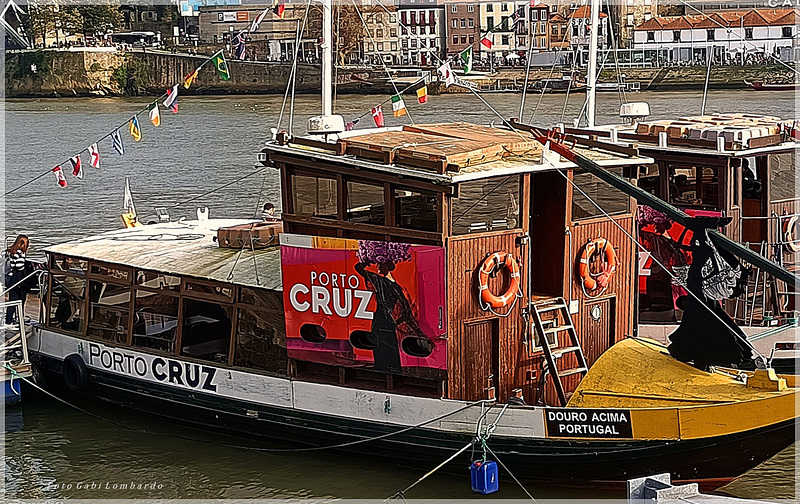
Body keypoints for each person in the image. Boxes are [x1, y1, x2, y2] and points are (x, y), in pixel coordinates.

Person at [5, 235, 29, 326]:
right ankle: (19, 318)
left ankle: (10, 319)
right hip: (18, 278)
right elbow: (19, 266)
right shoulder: (19, 253)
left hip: (13, 278)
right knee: (21, 299)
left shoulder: (12, 252)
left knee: (13, 300)